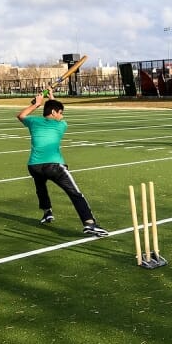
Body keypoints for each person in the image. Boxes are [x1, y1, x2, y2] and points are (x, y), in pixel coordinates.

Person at [17, 90, 109, 237]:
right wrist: (50, 98)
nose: (62, 115)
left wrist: (37, 104)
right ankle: (89, 224)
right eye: (60, 112)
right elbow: (55, 113)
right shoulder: (61, 126)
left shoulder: (33, 121)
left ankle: (47, 213)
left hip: (34, 166)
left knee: (40, 187)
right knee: (75, 193)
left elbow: (21, 115)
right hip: (54, 166)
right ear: (54, 112)